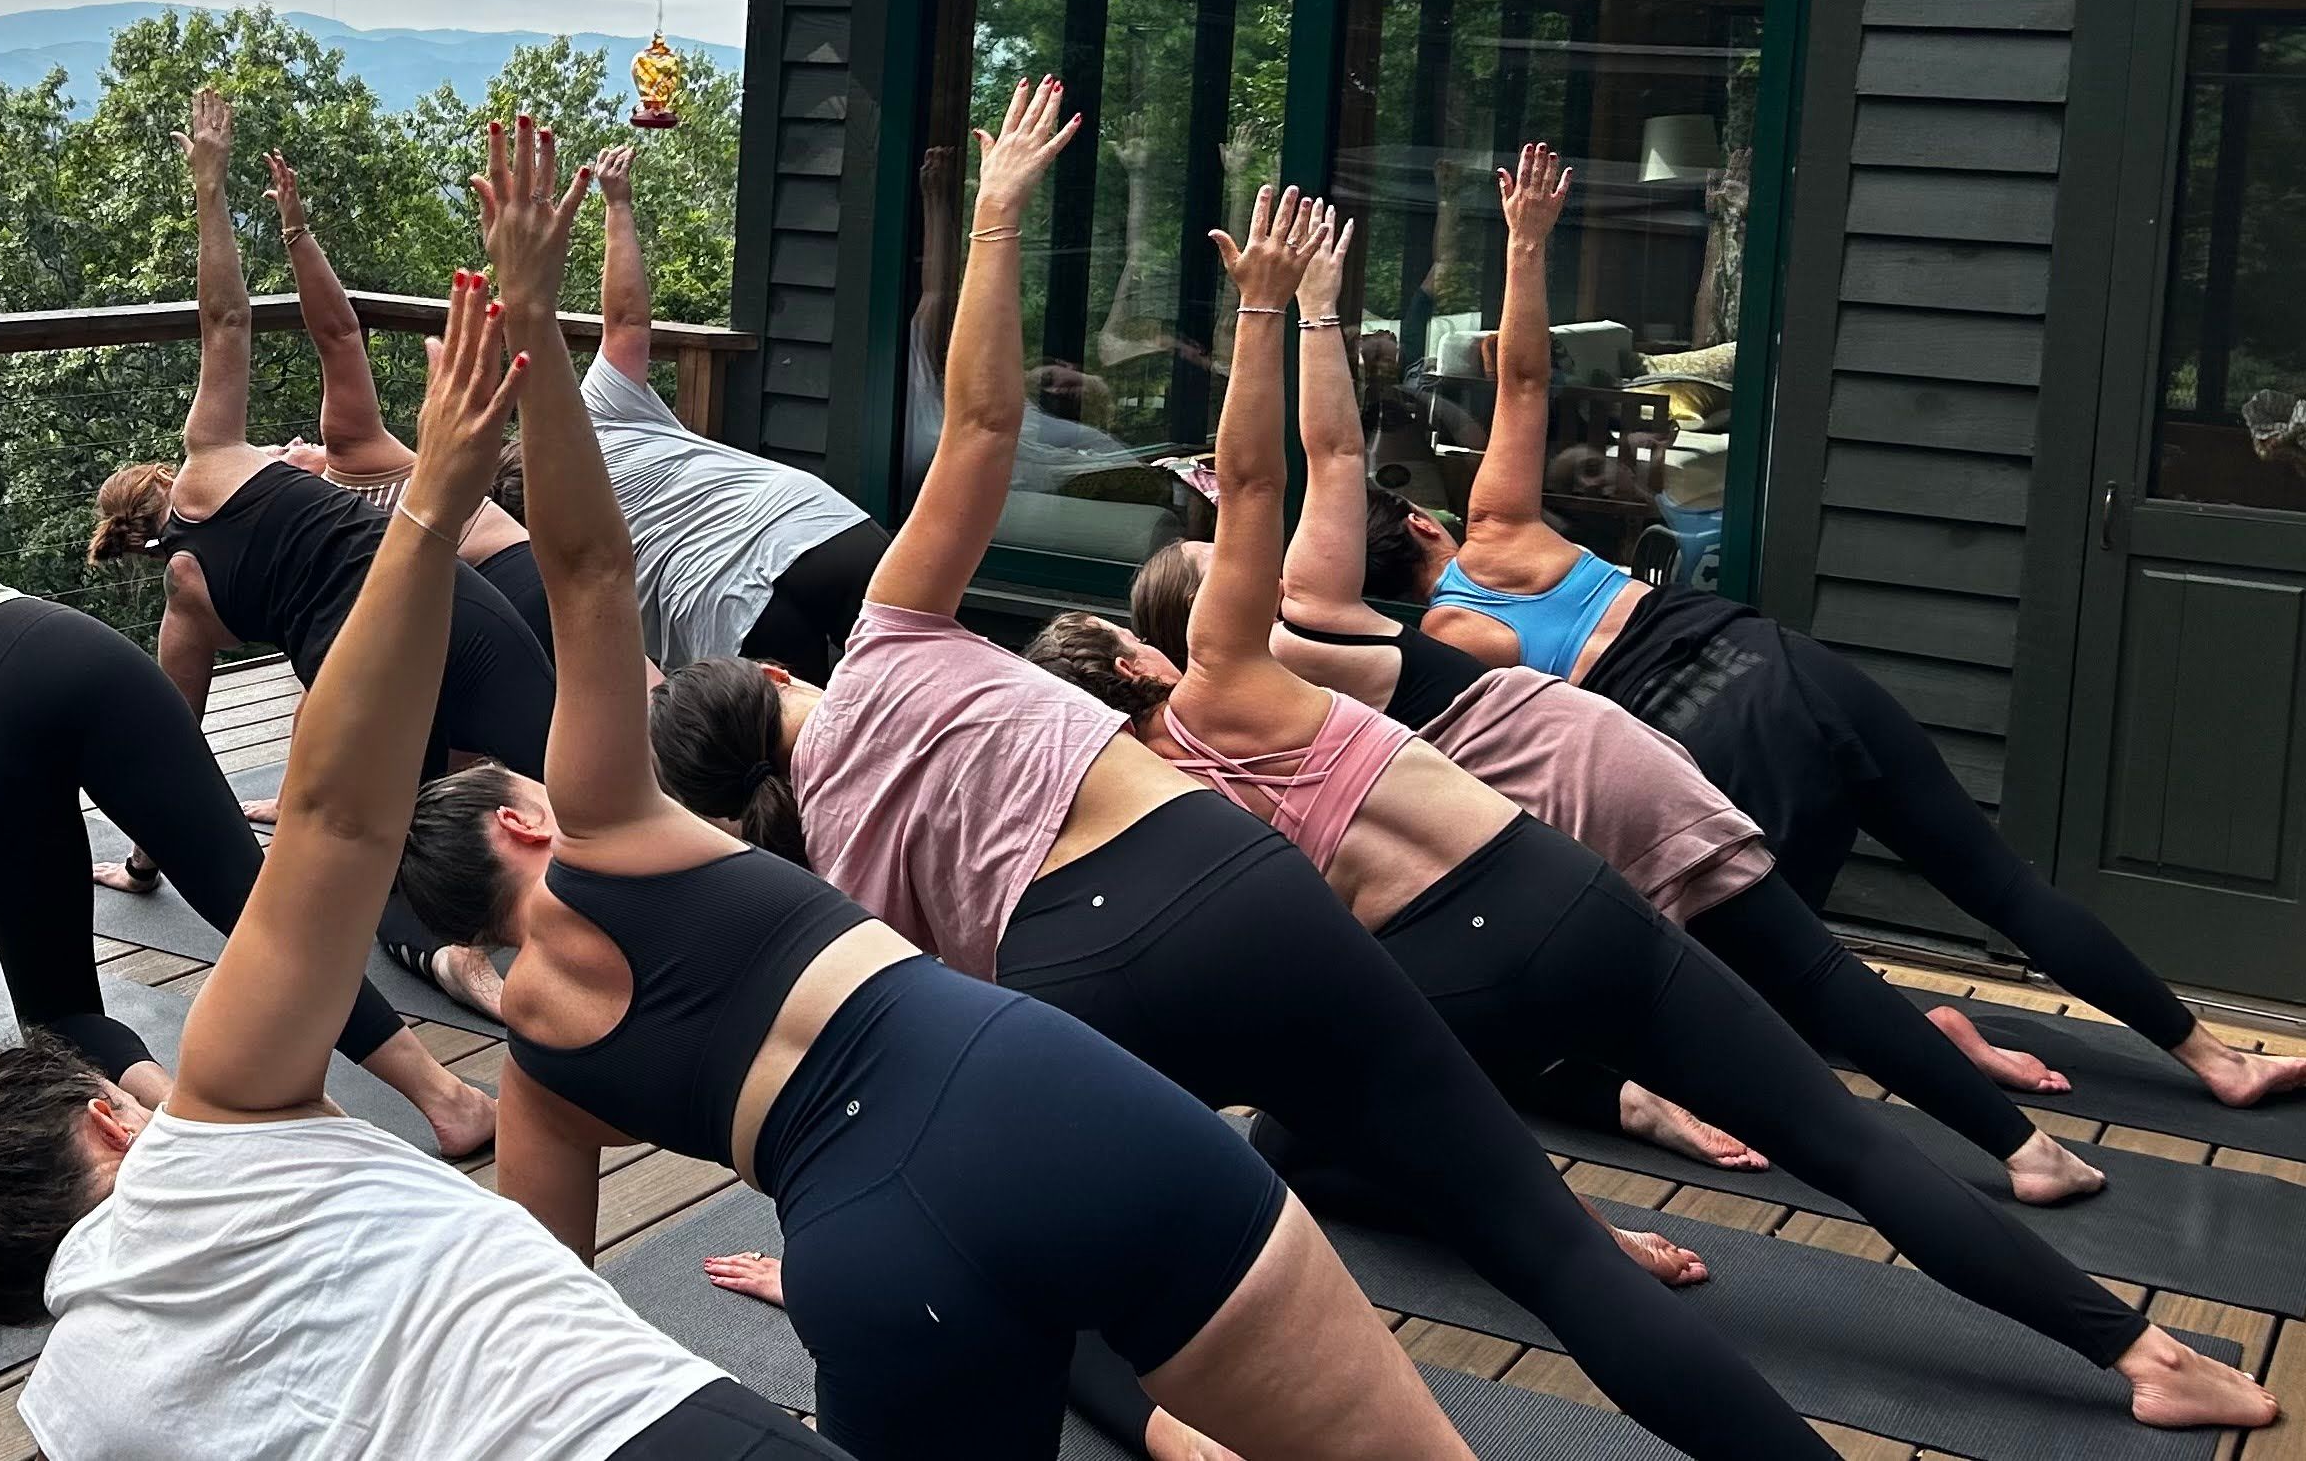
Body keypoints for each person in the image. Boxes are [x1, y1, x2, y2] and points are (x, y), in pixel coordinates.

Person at [647, 83, 1829, 1461]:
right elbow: (979, 428)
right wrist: (991, 220)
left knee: (1050, 1234)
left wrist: (834, 1255)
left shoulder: (832, 893)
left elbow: (876, 1076)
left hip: (1071, 989)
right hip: (1228, 883)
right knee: (1555, 1258)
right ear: (785, 677)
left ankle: (1169, 1423)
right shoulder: (894, 643)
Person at [1024, 190, 2275, 1436]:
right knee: (1844, 1146)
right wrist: (1285, 313)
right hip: (1552, 887)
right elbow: (1278, 474)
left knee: (1545, 1255)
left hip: (1435, 981)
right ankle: (2143, 1353)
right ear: (1148, 660)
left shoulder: (1155, 805)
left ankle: (1607, 1169)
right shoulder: (1248, 663)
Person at [394, 119, 1473, 1461]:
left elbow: (560, 1316)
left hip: (863, 1246)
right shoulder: (624, 832)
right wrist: (532, 330)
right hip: (1051, 1097)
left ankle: (1159, 1427)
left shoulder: (541, 1063)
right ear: (522, 817)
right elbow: (588, 569)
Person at [0, 267, 846, 1461]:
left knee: (67, 994)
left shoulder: (72, 1411)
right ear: (117, 1125)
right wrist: (430, 503)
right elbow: (337, 820)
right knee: (282, 888)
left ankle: (445, 1054)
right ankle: (444, 1088)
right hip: (643, 1424)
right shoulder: (228, 1115)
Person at [1407, 146, 2306, 1114]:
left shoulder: (1432, 655)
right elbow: (1524, 382)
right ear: (1426, 523)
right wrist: (1527, 241)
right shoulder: (1499, 533)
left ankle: (1932, 1041)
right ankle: (2221, 1061)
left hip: (1700, 740)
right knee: (1997, 884)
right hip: (1776, 661)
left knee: (1771, 976)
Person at [1272, 184, 2114, 1206]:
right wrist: (1315, 303)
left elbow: (1327, 464)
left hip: (1556, 844)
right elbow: (1359, 445)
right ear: (1420, 531)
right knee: (1804, 978)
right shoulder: (1470, 560)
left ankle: (1674, 1095)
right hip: (1628, 773)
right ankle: (2016, 1144)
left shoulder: (1311, 658)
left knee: (1734, 1002)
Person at [0, 87, 492, 1155]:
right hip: (61, 653)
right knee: (248, 897)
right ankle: (447, 1101)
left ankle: (294, 1145)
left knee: (61, 1008)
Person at [90, 89, 552, 1009]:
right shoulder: (213, 459)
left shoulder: (188, 606)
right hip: (457, 607)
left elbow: (173, 748)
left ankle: (451, 953)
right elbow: (225, 320)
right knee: (562, 793)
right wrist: (208, 188)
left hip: (371, 668)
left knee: (386, 853)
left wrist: (144, 863)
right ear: (160, 482)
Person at [586, 146, 885, 681]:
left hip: (720, 608)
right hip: (813, 527)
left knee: (818, 747)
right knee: (928, 688)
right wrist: (618, 204)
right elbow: (627, 321)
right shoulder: (597, 414)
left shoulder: (546, 548)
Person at [263, 148, 556, 656]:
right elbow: (338, 336)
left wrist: (297, 229)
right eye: (276, 452)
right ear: (283, 485)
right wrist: (296, 234)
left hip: (476, 608)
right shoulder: (351, 459)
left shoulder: (316, 564)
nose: (291, 440)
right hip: (509, 587)